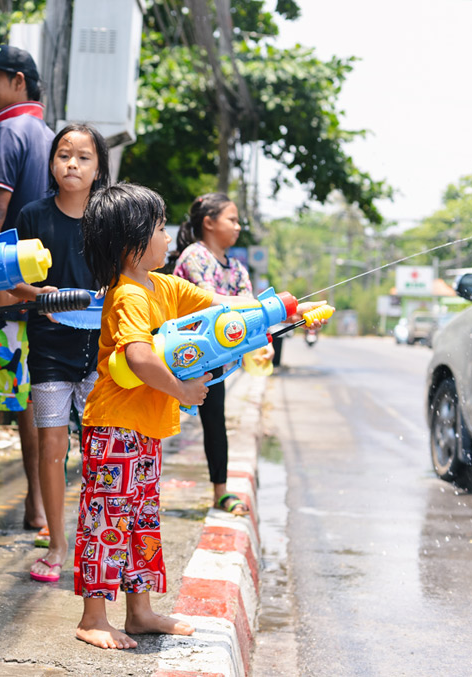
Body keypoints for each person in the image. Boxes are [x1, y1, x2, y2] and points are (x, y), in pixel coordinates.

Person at [75, 183, 326, 649]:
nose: (168, 236)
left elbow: (228, 307)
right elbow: (138, 358)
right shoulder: (129, 294)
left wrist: (290, 309)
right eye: (158, 227)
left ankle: (140, 611)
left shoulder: (164, 285)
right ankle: (93, 617)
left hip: (143, 430)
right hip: (114, 429)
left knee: (142, 518)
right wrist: (184, 389)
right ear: (132, 240)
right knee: (108, 518)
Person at [6, 124, 110, 583]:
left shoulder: (111, 220)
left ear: (99, 167)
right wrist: (40, 294)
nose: (72, 163)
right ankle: (57, 544)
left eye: (83, 157)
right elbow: (9, 280)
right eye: (64, 154)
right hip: (48, 350)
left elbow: (130, 276)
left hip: (101, 350)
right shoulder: (32, 215)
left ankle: (99, 539)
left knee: (100, 450)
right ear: (52, 162)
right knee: (52, 445)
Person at [0, 44, 56, 534]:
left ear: (19, 82)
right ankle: (37, 506)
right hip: (39, 291)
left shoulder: (8, 132)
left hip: (1, 289)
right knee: (32, 401)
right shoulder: (48, 134)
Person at [173, 193, 268, 516]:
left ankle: (221, 492)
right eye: (232, 219)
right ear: (209, 222)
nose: (238, 227)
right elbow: (210, 302)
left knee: (215, 422)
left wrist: (262, 343)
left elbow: (251, 316)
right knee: (159, 425)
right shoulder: (193, 258)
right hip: (181, 359)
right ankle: (139, 495)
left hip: (215, 364)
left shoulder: (239, 269)